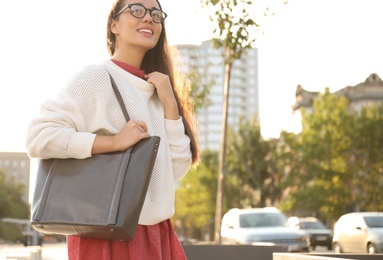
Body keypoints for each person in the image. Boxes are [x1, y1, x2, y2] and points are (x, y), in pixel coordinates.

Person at [26, 0, 199, 259]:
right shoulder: (96, 77)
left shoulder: (158, 91)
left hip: (157, 232)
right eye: (137, 10)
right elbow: (38, 137)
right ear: (114, 25)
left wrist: (171, 107)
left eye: (156, 14)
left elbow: (177, 168)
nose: (148, 18)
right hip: (107, 232)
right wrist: (114, 143)